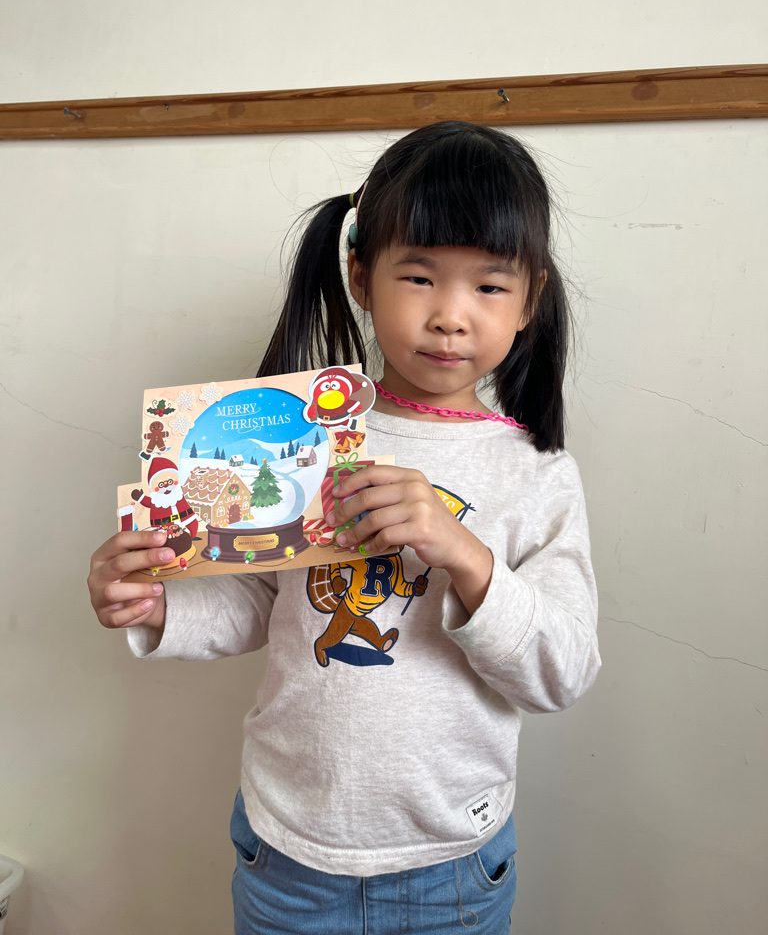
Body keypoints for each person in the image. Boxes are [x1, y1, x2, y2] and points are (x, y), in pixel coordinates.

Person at [87, 121, 601, 934]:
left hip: (451, 866)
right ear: (361, 275)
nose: (451, 316)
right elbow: (262, 599)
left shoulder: (537, 474)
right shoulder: (308, 434)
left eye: (488, 286)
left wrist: (466, 557)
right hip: (286, 851)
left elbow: (562, 673)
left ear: (530, 299)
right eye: (420, 277)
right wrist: (155, 605)